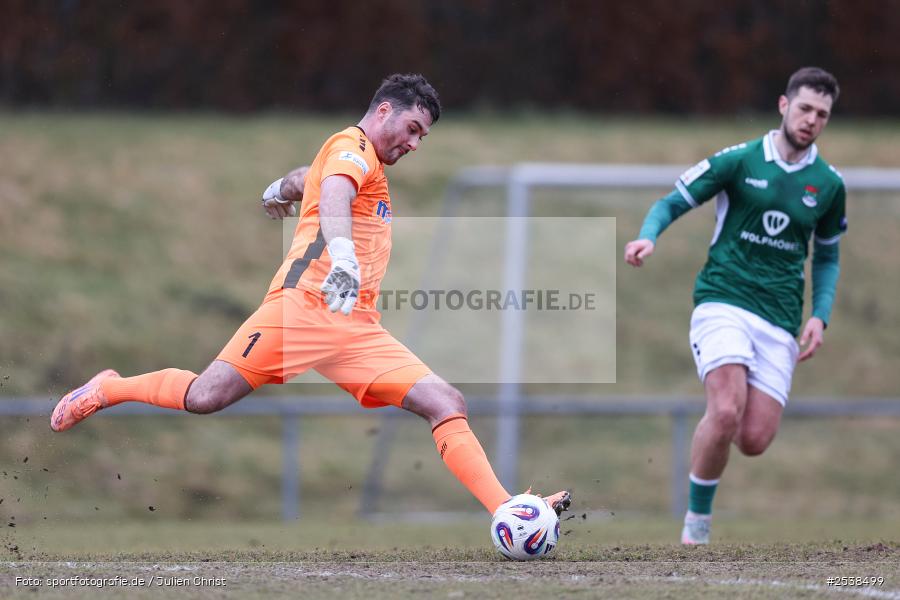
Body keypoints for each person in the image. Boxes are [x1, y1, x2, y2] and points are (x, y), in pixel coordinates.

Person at [51, 73, 570, 519]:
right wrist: (342, 254)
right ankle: (109, 388)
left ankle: (509, 509)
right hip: (301, 308)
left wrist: (283, 185)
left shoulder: (358, 162)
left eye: (423, 137)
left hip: (356, 327)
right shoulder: (352, 147)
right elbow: (337, 189)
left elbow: (318, 180)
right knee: (205, 397)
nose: (415, 143)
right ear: (384, 110)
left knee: (446, 402)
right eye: (413, 129)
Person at [624, 67, 845, 544]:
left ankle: (706, 490)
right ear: (784, 106)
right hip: (723, 300)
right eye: (804, 108)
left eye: (822, 114)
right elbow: (671, 202)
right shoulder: (741, 161)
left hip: (780, 318)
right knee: (725, 410)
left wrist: (820, 313)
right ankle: (696, 526)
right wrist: (647, 236)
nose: (811, 120)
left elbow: (827, 255)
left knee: (753, 439)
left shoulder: (828, 185)